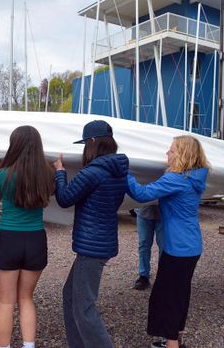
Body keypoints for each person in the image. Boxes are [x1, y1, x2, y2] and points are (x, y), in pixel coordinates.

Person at [127, 135, 210, 348]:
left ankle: (171, 343)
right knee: (178, 294)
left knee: (168, 298)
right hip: (191, 246)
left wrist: (123, 171)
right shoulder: (195, 176)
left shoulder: (176, 180)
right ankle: (172, 339)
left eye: (171, 150)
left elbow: (140, 193)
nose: (167, 153)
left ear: (182, 154)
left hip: (178, 249)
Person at [53, 120, 129, 348]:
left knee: (84, 307)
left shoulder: (94, 172)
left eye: (86, 143)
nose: (85, 148)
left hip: (91, 247)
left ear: (93, 142)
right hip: (101, 243)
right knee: (70, 296)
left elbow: (65, 198)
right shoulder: (118, 170)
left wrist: (59, 173)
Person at [0, 125, 54, 348]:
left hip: (9, 238)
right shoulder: (47, 173)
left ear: (13, 145)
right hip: (35, 239)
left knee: (6, 301)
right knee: (26, 298)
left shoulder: (3, 174)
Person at [134, 205, 163, 290]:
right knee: (143, 244)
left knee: (164, 246)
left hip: (164, 212)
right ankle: (143, 276)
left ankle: (163, 276)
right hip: (144, 211)